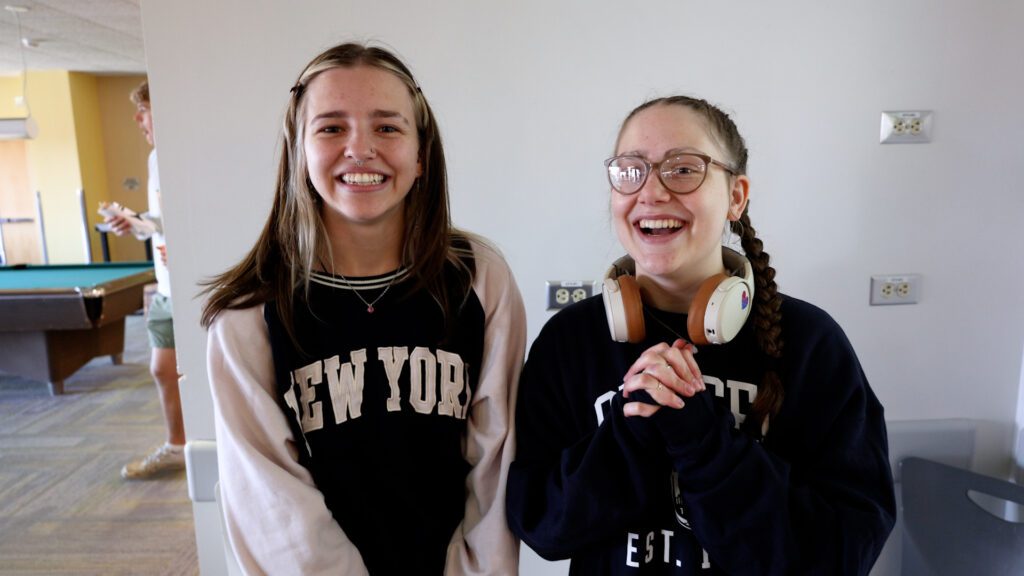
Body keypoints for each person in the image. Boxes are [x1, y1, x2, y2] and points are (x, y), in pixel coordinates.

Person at [506, 96, 896, 575]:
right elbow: (541, 525)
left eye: (684, 169)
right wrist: (629, 433)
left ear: (736, 197)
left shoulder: (812, 343)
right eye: (631, 171)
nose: (651, 192)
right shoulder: (570, 341)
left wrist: (704, 443)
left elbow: (843, 551)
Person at [200, 42, 526, 575]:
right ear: (299, 152)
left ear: (421, 156)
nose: (360, 149)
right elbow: (271, 506)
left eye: (387, 128)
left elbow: (495, 461)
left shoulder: (479, 277)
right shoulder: (248, 311)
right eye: (331, 128)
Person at [105, 80, 185, 480]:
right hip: (166, 286)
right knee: (161, 369)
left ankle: (207, 447)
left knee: (202, 374)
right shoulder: (156, 159)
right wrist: (135, 222)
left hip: (191, 288)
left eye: (145, 112)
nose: (139, 120)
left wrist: (189, 251)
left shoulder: (189, 153)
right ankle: (177, 446)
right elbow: (164, 220)